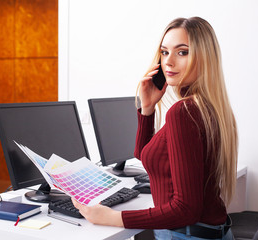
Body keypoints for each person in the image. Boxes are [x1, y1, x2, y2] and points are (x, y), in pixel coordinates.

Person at [72, 17, 238, 240]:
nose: (168, 62)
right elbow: (144, 155)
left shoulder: (183, 112)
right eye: (164, 52)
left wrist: (109, 217)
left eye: (182, 52)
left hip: (186, 235)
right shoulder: (208, 107)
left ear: (205, 57)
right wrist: (147, 109)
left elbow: (185, 209)